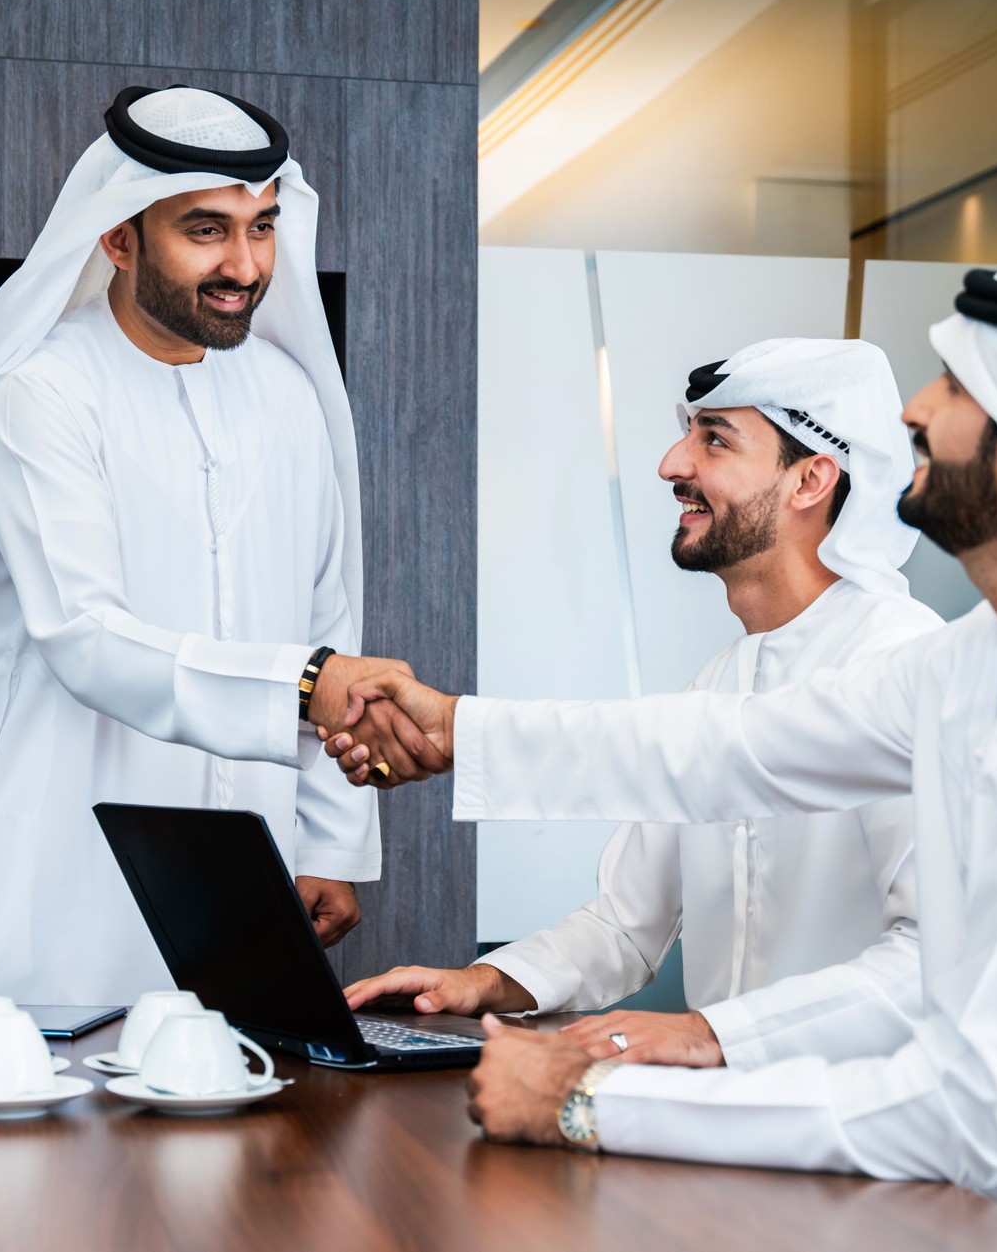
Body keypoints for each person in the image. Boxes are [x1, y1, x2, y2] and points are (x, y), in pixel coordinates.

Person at [326, 255, 997, 1242]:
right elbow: (731, 751)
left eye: (954, 388)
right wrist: (455, 725)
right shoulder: (993, 657)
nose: (914, 412)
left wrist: (596, 1097)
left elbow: (967, 1102)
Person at [0, 85, 438, 1005]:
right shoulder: (42, 393)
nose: (246, 264)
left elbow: (327, 619)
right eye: (206, 230)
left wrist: (331, 837)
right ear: (117, 237)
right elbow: (87, 636)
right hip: (52, 865)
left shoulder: (288, 396)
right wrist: (308, 686)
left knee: (216, 1133)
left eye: (261, 227)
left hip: (236, 868)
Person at [341, 340, 941, 1071]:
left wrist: (711, 1035)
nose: (671, 464)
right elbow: (626, 923)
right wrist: (483, 982)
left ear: (811, 478)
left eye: (714, 439)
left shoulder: (906, 664)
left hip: (858, 1142)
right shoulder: (721, 680)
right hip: (726, 1136)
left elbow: (931, 962)